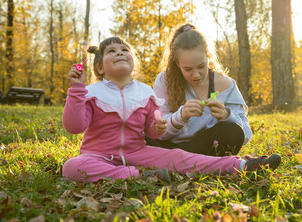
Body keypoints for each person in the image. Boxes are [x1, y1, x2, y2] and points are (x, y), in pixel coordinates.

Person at [62, 36, 281, 183]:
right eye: (111, 51)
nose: (119, 52)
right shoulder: (91, 93)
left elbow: (153, 131)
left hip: (138, 151)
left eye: (124, 50)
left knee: (179, 157)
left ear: (133, 63)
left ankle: (242, 165)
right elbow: (74, 126)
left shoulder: (144, 92)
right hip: (98, 156)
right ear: (100, 67)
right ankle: (137, 175)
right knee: (72, 167)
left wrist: (159, 125)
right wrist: (76, 91)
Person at [145, 23, 252, 156]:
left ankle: (174, 161)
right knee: (139, 135)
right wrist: (180, 116)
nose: (196, 75)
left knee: (232, 132)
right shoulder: (164, 80)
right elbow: (157, 132)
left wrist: (226, 115)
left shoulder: (225, 84)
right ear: (177, 64)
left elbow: (245, 134)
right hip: (168, 146)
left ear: (208, 56)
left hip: (203, 146)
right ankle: (188, 161)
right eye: (188, 69)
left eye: (201, 66)